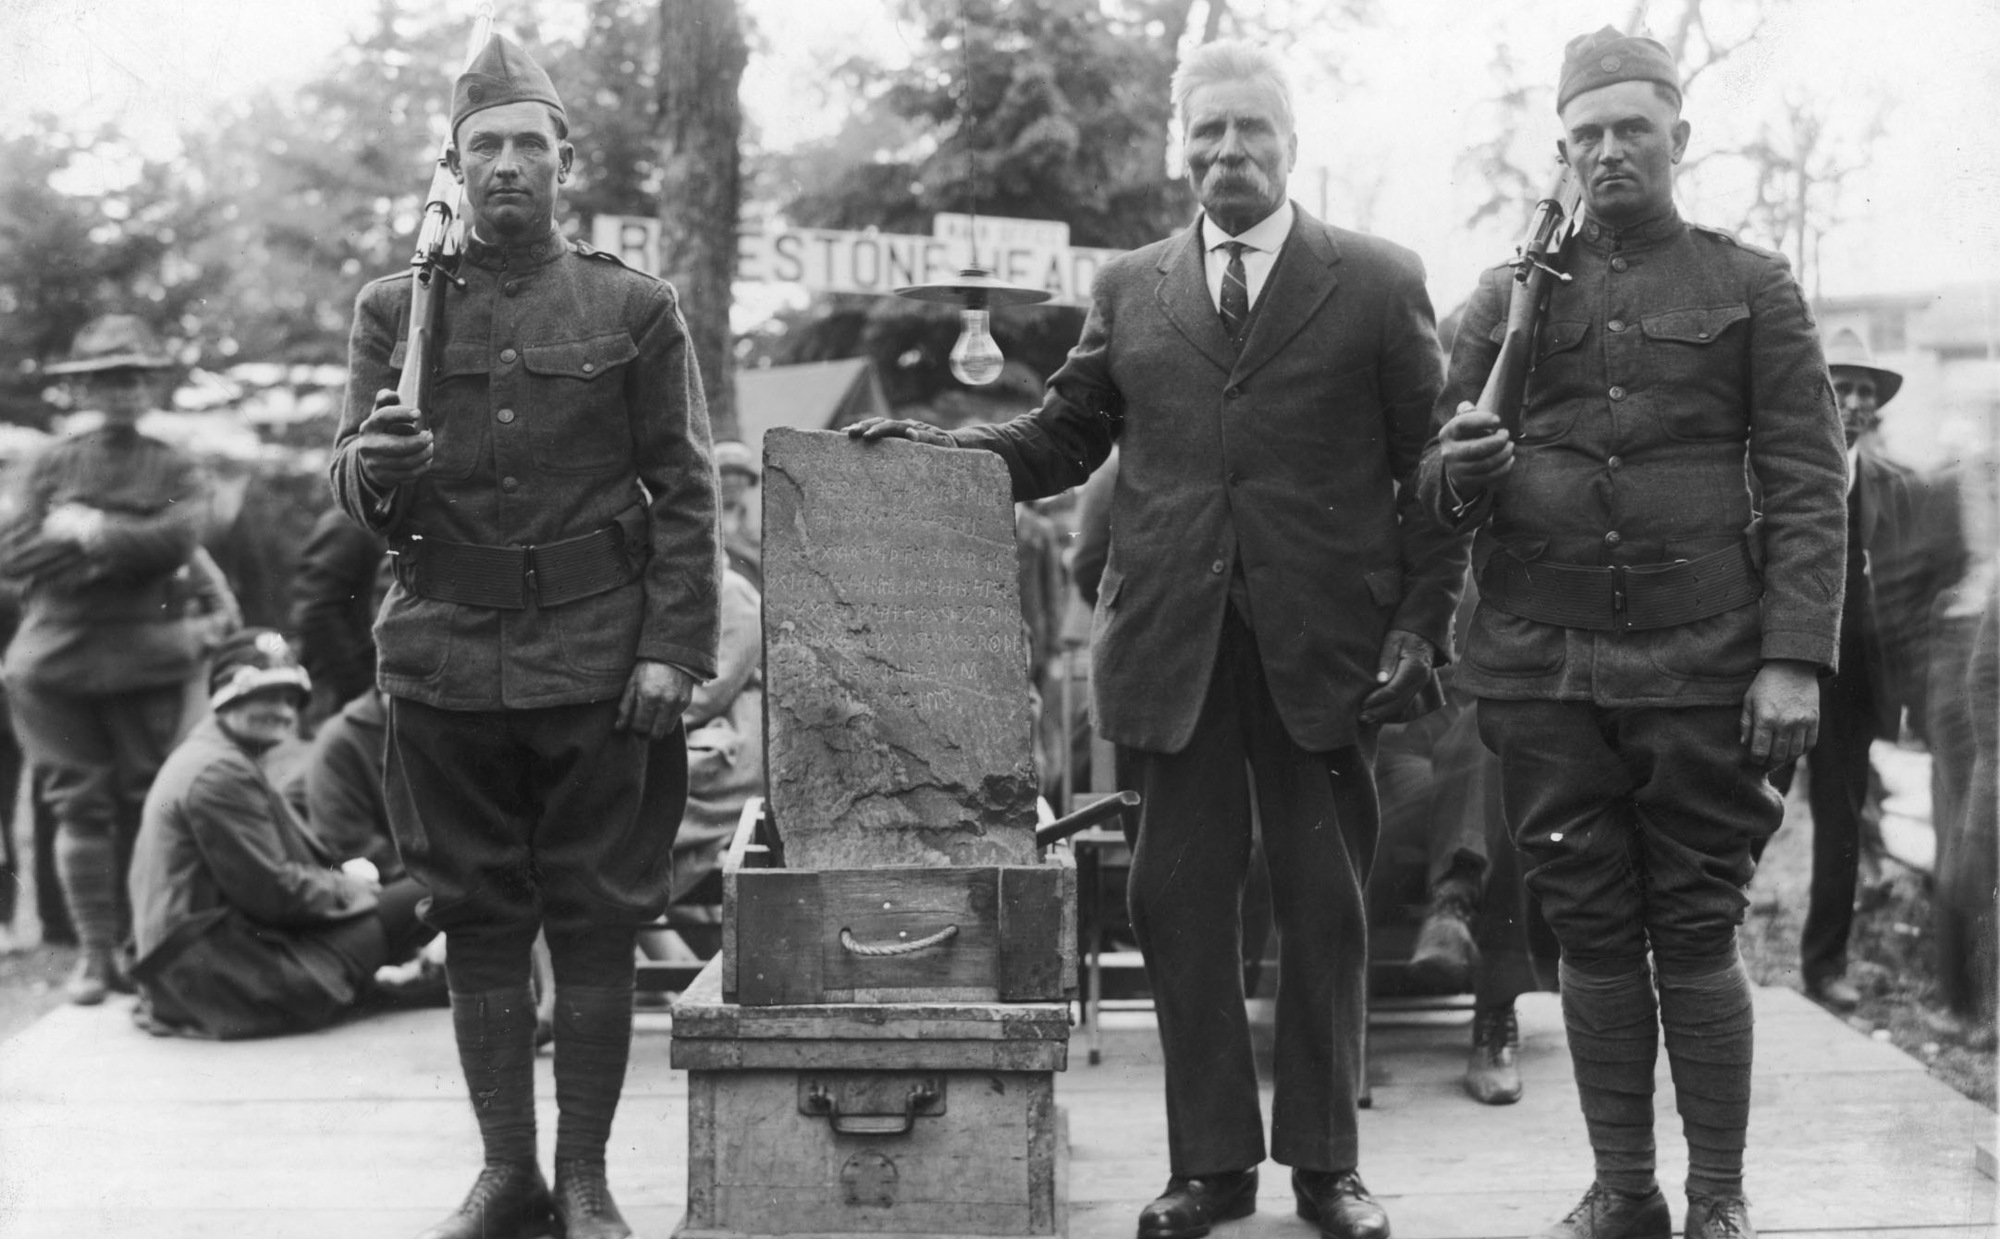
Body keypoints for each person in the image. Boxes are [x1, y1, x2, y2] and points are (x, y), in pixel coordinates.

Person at [854, 39, 1465, 1239]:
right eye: (1206, 133)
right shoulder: (1133, 287)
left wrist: (1419, 624)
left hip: (1324, 653)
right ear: (1179, 148)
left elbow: (1431, 475)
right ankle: (1210, 1169)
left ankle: (1326, 1170)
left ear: (1290, 143)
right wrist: (951, 451)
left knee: (1324, 905)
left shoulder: (1377, 281)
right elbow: (1065, 432)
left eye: (1250, 130)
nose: (1227, 152)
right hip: (1170, 649)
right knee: (1177, 906)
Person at [1424, 28, 1848, 1239]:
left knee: (1697, 929)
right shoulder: (1500, 298)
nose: (1608, 151)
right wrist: (1456, 471)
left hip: (1703, 664)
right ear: (1560, 149)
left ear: (1676, 138)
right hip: (1540, 668)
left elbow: (1808, 481)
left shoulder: (1748, 285)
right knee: (1591, 935)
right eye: (1586, 135)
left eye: (1632, 130)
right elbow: (1425, 487)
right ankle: (1623, 1191)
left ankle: (1716, 1198)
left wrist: (1791, 658)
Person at [328, 34, 721, 1239]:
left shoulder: (632, 307)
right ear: (454, 167)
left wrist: (672, 650)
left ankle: (586, 1180)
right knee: (476, 918)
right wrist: (376, 467)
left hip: (597, 662)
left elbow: (687, 489)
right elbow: (350, 486)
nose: (507, 165)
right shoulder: (393, 308)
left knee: (597, 919)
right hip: (442, 658)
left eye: (528, 145)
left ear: (566, 161)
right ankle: (508, 1176)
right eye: (484, 146)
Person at [0, 315, 212, 1005]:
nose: (122, 391)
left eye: (135, 378)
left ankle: (143, 947)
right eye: (106, 379)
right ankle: (94, 956)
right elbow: (13, 552)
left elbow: (179, 539)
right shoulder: (49, 463)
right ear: (83, 388)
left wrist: (89, 526)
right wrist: (130, 542)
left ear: (152, 386)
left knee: (149, 800)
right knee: (78, 805)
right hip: (54, 660)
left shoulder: (174, 464)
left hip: (145, 658)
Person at [125, 629, 432, 1037]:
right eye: (266, 696)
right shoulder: (218, 772)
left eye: (290, 700)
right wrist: (353, 888)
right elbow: (274, 892)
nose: (283, 712)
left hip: (199, 961)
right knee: (431, 893)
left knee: (409, 902)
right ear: (226, 696)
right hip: (222, 973)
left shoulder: (213, 754)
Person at [1764, 329, 1930, 1012]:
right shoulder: (1770, 466)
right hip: (1774, 674)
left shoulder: (1898, 486)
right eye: (1842, 387)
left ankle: (1825, 965)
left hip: (1854, 683)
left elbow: (1910, 593)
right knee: (1746, 811)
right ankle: (1702, 956)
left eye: (1866, 391)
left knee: (1840, 826)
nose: (1855, 403)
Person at [288, 506, 388, 728]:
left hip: (356, 689)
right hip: (336, 692)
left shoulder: (381, 522)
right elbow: (313, 612)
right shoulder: (349, 525)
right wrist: (361, 684)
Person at [713, 440, 762, 591]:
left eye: (739, 473)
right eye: (724, 474)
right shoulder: (705, 530)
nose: (731, 481)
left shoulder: (759, 531)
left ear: (748, 480)